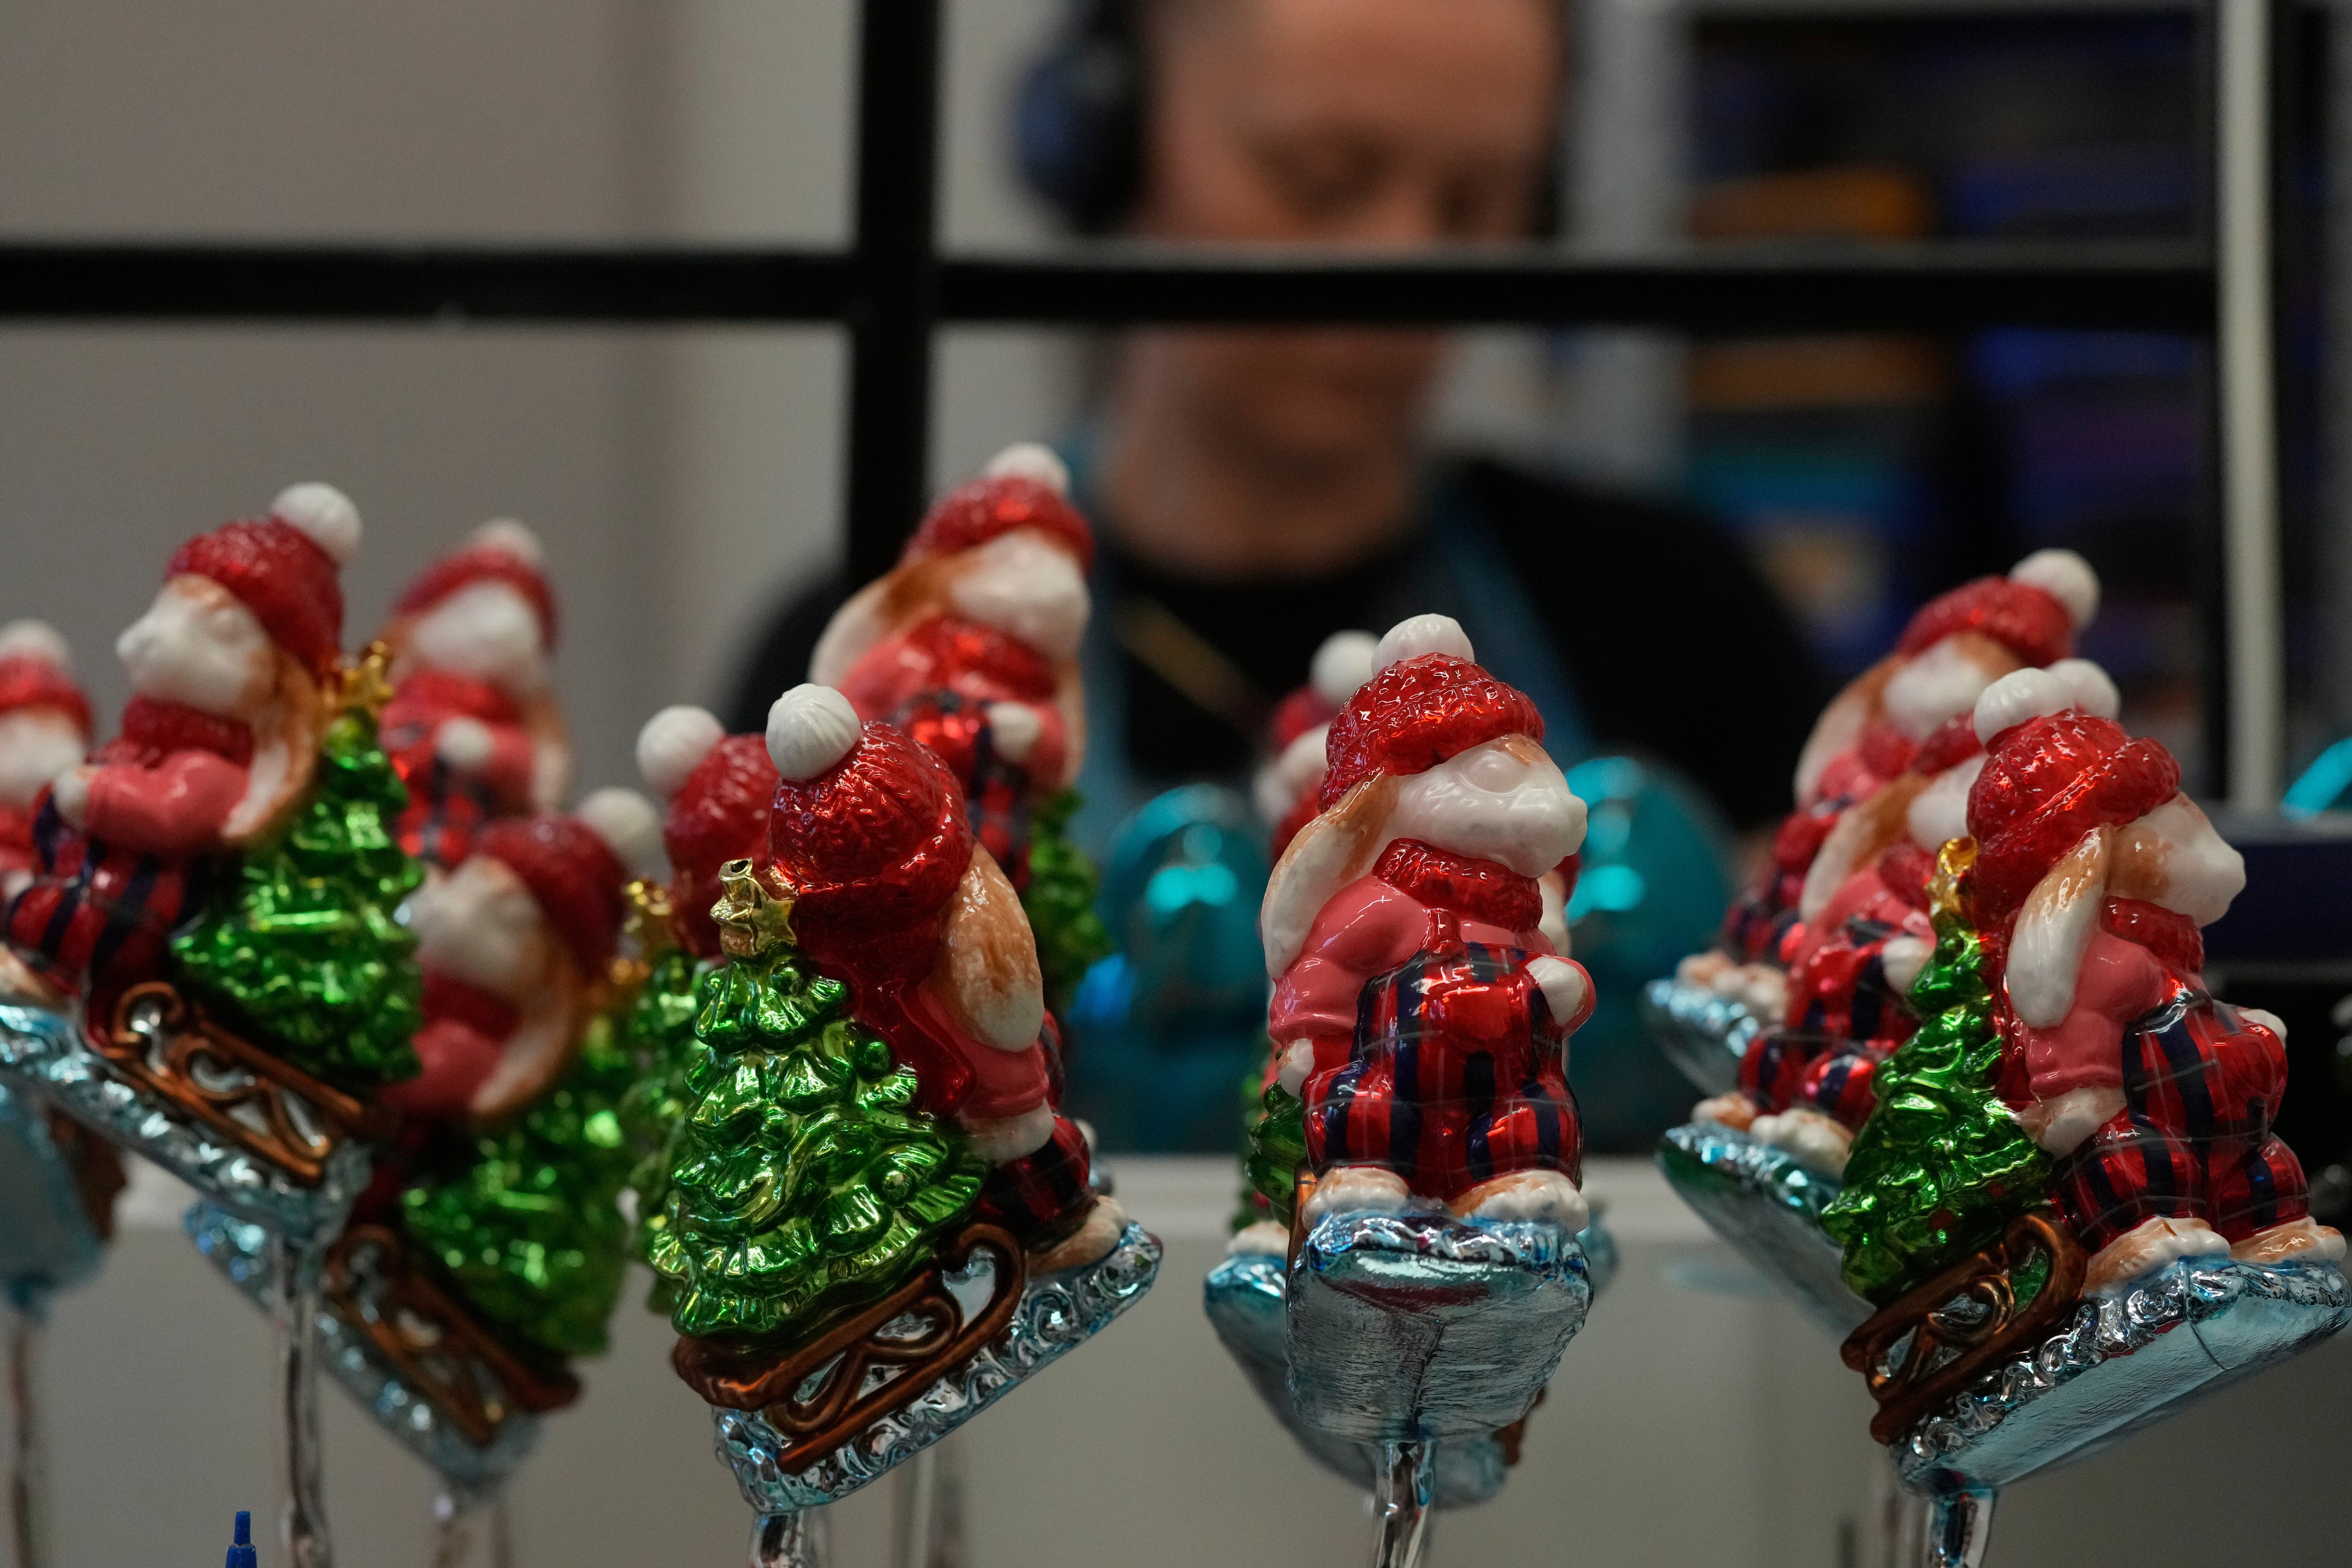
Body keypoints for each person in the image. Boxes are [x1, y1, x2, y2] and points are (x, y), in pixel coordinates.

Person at [731, 0, 1825, 1150]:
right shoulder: (855, 674)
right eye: (1320, 175)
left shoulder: (1684, 616)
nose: (1402, 260)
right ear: (1111, 145)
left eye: (1473, 200)